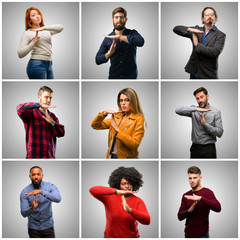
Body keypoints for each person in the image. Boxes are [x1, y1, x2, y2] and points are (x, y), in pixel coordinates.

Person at [89, 166, 150, 238]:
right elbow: (92, 190)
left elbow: (147, 221)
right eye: (123, 184)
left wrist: (130, 210)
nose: (127, 186)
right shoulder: (109, 197)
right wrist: (115, 191)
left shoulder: (138, 201)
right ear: (118, 184)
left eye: (129, 183)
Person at [91, 88, 145, 158]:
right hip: (112, 157)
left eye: (127, 100)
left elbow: (135, 145)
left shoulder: (139, 119)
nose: (123, 103)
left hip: (128, 158)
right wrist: (104, 113)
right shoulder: (117, 116)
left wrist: (117, 129)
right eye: (121, 100)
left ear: (133, 101)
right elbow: (95, 125)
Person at [173, 7, 226, 79]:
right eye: (207, 15)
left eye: (212, 14)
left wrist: (197, 45)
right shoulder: (196, 30)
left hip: (208, 74)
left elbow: (214, 52)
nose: (210, 16)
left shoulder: (220, 35)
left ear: (215, 18)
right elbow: (176, 29)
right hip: (194, 72)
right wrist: (189, 29)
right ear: (202, 19)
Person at [95, 7, 144, 79]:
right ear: (112, 19)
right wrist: (109, 54)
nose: (119, 20)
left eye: (121, 17)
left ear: (126, 19)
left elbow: (141, 42)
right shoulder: (107, 38)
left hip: (131, 77)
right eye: (116, 17)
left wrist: (120, 37)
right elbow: (97, 60)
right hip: (114, 77)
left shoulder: (132, 33)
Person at [16, 86, 65, 158]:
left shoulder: (52, 116)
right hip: (34, 156)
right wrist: (38, 105)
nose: (49, 100)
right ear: (39, 97)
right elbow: (19, 108)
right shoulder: (30, 113)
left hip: (50, 157)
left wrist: (52, 122)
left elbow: (61, 133)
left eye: (50, 98)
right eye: (46, 97)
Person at [175, 87, 223, 158]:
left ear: (207, 96)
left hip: (208, 149)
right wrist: (195, 109)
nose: (200, 100)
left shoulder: (216, 112)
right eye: (197, 98)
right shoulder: (194, 111)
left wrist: (206, 125)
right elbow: (177, 110)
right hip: (195, 148)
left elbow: (220, 133)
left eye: (202, 97)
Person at [17, 7, 63, 79]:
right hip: (36, 65)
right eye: (33, 15)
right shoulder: (27, 33)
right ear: (29, 20)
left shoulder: (47, 30)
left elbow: (61, 27)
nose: (37, 16)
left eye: (38, 14)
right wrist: (33, 43)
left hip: (49, 64)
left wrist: (43, 28)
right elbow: (20, 54)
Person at [178, 166, 221, 238]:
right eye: (190, 178)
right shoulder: (186, 195)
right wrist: (189, 211)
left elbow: (218, 208)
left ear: (200, 178)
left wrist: (201, 198)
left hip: (203, 235)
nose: (192, 180)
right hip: (188, 235)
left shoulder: (208, 192)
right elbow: (179, 216)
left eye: (195, 178)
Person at [20, 166, 61, 238]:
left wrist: (41, 192)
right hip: (33, 229)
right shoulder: (25, 192)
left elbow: (58, 199)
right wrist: (32, 208)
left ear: (42, 176)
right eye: (33, 175)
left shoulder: (50, 186)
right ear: (30, 176)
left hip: (48, 227)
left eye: (38, 174)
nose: (36, 177)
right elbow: (23, 213)